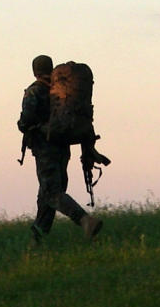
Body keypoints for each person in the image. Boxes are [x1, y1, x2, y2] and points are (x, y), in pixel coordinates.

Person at [18, 55, 104, 244]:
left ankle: (84, 220)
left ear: (35, 71)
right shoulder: (58, 91)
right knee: (46, 195)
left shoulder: (34, 91)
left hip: (44, 148)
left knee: (51, 192)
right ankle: (36, 239)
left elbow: (26, 120)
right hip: (62, 148)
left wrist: (22, 125)